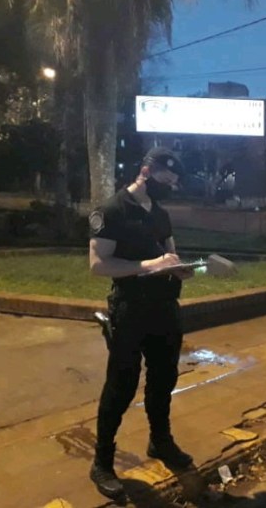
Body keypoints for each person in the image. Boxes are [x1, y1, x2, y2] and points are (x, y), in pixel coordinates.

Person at [87, 146, 196, 500]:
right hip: (130, 310)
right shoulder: (112, 210)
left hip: (164, 308)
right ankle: (102, 461)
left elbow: (170, 253)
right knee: (121, 385)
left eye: (175, 182)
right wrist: (147, 266)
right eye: (167, 180)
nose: (171, 187)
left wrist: (178, 268)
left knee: (164, 380)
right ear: (146, 173)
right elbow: (98, 264)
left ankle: (160, 441)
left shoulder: (161, 213)